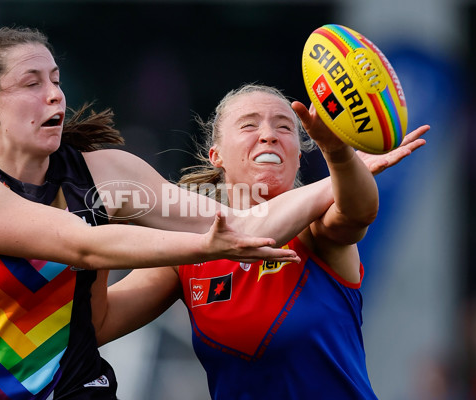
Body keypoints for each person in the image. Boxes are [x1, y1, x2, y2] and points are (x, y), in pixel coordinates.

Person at [0, 28, 346, 399]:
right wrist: (203, 247)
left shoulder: (104, 171)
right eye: (31, 83)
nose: (54, 94)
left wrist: (347, 170)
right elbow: (83, 245)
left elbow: (242, 228)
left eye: (56, 80)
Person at [98, 84, 430, 399]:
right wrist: (93, 235)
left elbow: (357, 214)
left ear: (300, 155)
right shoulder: (189, 249)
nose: (269, 135)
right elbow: (98, 324)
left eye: (285, 127)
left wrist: (338, 153)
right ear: (217, 155)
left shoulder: (315, 228)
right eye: (249, 125)